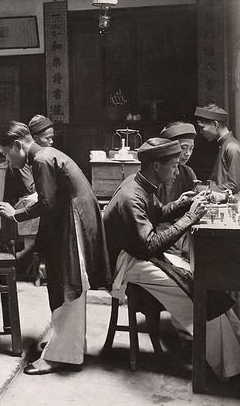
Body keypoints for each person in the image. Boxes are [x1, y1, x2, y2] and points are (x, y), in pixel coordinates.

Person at [103, 137, 240, 380]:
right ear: (157, 166)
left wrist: (184, 203)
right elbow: (149, 245)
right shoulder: (132, 196)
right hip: (129, 262)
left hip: (140, 254)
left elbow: (158, 213)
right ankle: (230, 368)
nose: (178, 171)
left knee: (199, 281)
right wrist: (190, 217)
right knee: (196, 292)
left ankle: (233, 352)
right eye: (174, 166)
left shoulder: (140, 183)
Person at [0, 121, 111, 375]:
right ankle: (69, 347)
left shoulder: (41, 160)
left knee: (68, 287)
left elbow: (46, 203)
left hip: (73, 223)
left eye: (6, 154)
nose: (7, 160)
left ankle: (62, 356)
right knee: (70, 287)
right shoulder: (47, 155)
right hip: (75, 220)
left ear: (17, 145)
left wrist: (16, 214)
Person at [3, 115, 56, 266]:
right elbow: (32, 188)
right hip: (20, 203)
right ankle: (25, 258)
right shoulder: (23, 160)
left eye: (52, 138)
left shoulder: (42, 157)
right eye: (47, 138)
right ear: (34, 139)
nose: (51, 142)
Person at [195, 103, 240, 195]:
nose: (201, 132)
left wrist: (206, 189)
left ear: (216, 124)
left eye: (202, 127)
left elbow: (234, 185)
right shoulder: (223, 144)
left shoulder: (232, 147)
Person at [157, 122, 198, 204]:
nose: (188, 153)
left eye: (191, 148)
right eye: (184, 147)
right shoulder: (156, 171)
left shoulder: (187, 172)